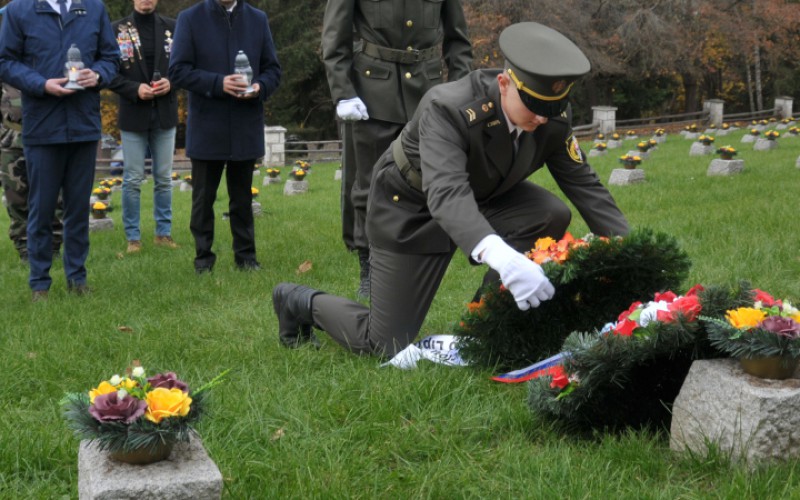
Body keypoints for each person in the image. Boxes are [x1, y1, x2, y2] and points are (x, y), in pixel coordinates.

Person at [273, 22, 630, 355]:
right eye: (534, 105)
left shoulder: (550, 119)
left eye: (553, 107)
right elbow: (445, 193)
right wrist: (503, 257)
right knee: (385, 342)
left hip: (483, 197)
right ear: (504, 84)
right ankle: (297, 301)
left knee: (548, 214)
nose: (541, 117)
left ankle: (486, 322)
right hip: (411, 207)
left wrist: (633, 256)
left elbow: (586, 185)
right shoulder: (449, 108)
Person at [321, 0, 472, 299]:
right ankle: (368, 264)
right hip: (371, 93)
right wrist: (343, 93)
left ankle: (419, 258)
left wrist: (459, 91)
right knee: (369, 184)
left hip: (427, 93)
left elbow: (458, 42)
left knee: (426, 181)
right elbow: (335, 37)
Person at [0, 0, 119, 301]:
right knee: (40, 209)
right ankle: (40, 283)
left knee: (78, 209)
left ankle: (77, 279)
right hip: (43, 126)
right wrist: (41, 84)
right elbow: (5, 61)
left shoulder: (94, 8)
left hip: (83, 124)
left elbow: (111, 58)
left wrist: (98, 75)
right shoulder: (18, 10)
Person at [169, 0, 281, 274]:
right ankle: (203, 260)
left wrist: (259, 87)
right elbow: (178, 70)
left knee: (242, 198)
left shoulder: (257, 19)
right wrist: (218, 83)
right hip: (208, 125)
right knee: (203, 199)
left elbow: (273, 70)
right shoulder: (190, 18)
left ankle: (246, 258)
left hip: (245, 124)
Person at [109, 0, 179, 254]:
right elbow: (108, 73)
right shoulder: (116, 30)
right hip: (133, 113)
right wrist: (134, 89)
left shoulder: (173, 27)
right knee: (132, 179)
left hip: (165, 113)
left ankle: (163, 234)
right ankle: (133, 239)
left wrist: (171, 83)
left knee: (164, 178)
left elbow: (185, 67)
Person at [1, 79, 65, 263]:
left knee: (53, 196)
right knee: (16, 198)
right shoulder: (6, 68)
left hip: (48, 136)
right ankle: (25, 249)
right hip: (11, 140)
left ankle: (52, 247)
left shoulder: (47, 64)